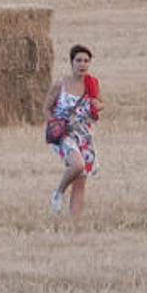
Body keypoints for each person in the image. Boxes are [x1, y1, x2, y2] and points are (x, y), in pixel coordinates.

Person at [45, 45, 105, 216]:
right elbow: (47, 108)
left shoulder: (91, 84)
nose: (82, 64)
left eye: (86, 61)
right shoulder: (60, 85)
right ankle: (58, 192)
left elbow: (101, 102)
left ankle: (74, 225)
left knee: (80, 183)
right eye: (78, 60)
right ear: (71, 62)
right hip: (65, 134)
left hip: (84, 135)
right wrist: (53, 123)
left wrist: (97, 106)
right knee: (77, 165)